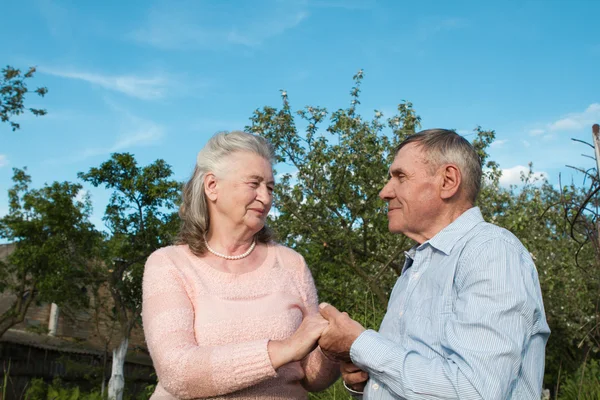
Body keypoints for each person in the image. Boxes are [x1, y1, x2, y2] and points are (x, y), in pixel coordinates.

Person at [317, 129, 550, 399]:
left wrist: (361, 343)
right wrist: (365, 382)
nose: (384, 192)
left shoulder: (490, 251)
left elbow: (474, 391)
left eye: (400, 177)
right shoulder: (415, 268)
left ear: (448, 181)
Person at [142, 131, 339, 399]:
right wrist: (284, 348)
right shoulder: (168, 264)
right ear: (212, 186)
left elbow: (310, 375)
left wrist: (335, 351)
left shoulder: (291, 263)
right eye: (254, 184)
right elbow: (178, 372)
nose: (265, 198)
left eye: (270, 187)